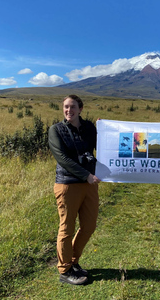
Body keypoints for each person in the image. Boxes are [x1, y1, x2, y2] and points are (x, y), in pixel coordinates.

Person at [48, 95, 101, 285]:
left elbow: (104, 148)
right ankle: (65, 270)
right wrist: (85, 175)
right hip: (68, 184)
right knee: (67, 228)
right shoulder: (56, 130)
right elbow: (62, 158)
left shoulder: (89, 128)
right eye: (65, 107)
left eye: (72, 107)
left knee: (89, 226)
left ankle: (73, 262)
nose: (68, 110)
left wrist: (105, 129)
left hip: (89, 184)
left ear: (80, 109)